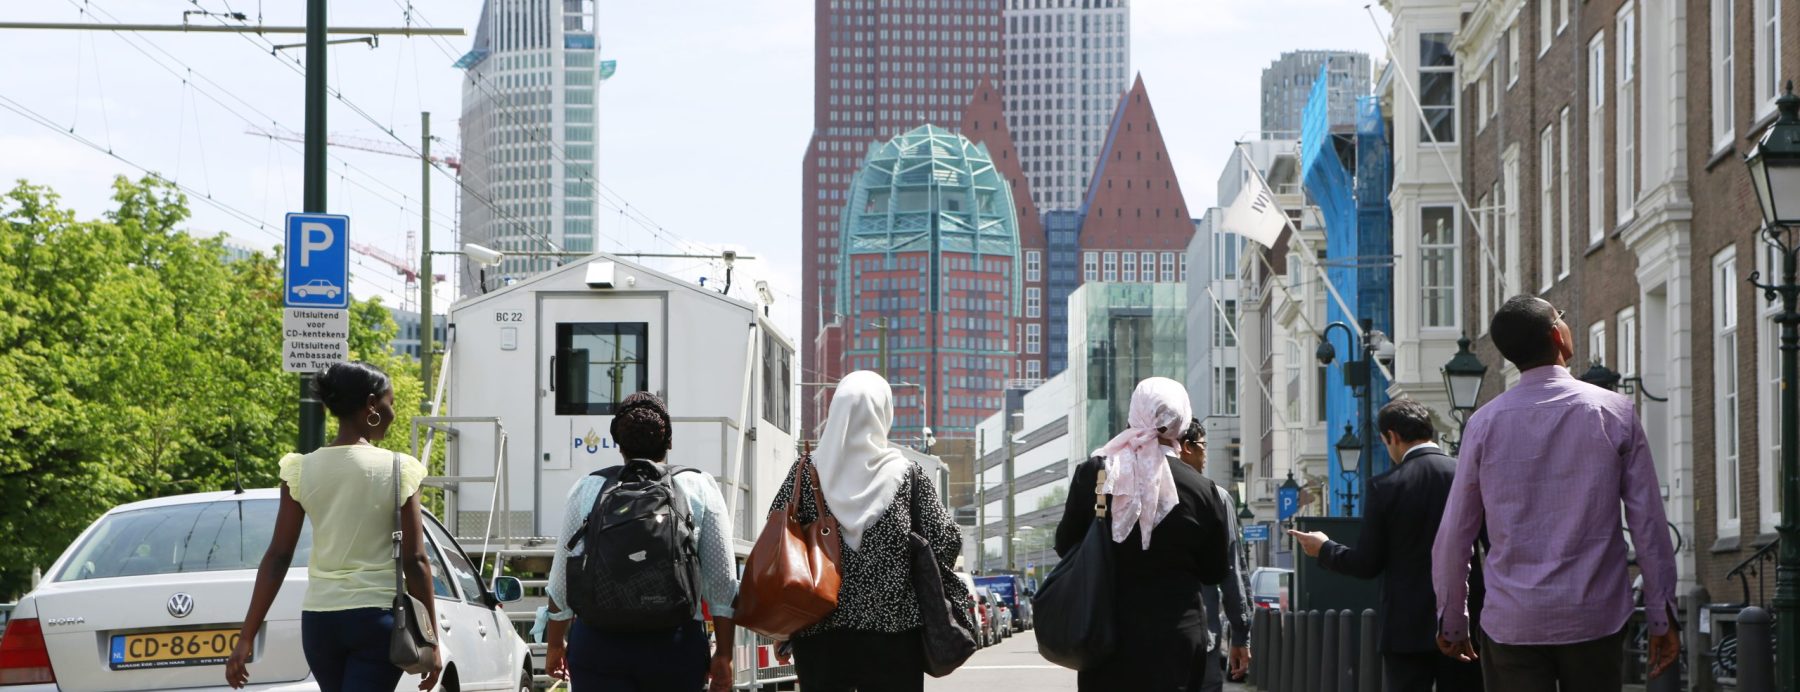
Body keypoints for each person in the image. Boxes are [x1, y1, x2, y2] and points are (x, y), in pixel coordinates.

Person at [1432, 296, 1680, 692]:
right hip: (1594, 615)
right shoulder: (1614, 412)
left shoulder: (1483, 425)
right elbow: (1648, 522)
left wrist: (1452, 617)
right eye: (1560, 317)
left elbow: (1455, 536)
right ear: (1556, 335)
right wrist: (1661, 614)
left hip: (1512, 620)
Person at [226, 362, 441, 692]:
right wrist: (432, 640)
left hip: (320, 623)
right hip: (377, 620)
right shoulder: (399, 469)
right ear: (372, 405)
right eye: (391, 403)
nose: (392, 412)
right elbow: (415, 561)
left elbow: (278, 557)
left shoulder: (301, 470)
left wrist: (245, 637)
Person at [772, 371, 969, 692]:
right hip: (893, 638)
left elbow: (778, 532)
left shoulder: (806, 471)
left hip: (820, 636)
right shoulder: (906, 474)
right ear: (884, 413)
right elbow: (946, 540)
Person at [543, 392, 739, 692]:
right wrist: (725, 654)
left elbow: (561, 584)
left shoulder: (588, 489)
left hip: (598, 647)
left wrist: (555, 644)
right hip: (675, 647)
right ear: (669, 441)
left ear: (618, 445)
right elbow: (722, 583)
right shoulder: (698, 487)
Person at [1287, 399, 1482, 692]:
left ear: (1392, 437)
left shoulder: (1386, 486)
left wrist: (1324, 548)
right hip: (1465, 623)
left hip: (1406, 627)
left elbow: (1367, 563)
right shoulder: (1466, 476)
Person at [1054, 377, 1232, 691]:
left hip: (1106, 634)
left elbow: (1065, 544)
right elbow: (1214, 570)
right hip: (1177, 638)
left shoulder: (1094, 474)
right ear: (1181, 420)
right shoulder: (1204, 491)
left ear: (1134, 412)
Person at [1175, 418, 1251, 691]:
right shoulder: (1215, 497)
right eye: (1203, 446)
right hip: (1200, 636)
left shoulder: (1137, 492)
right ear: (1186, 447)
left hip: (1145, 642)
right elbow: (1232, 571)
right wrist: (1241, 635)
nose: (1205, 454)